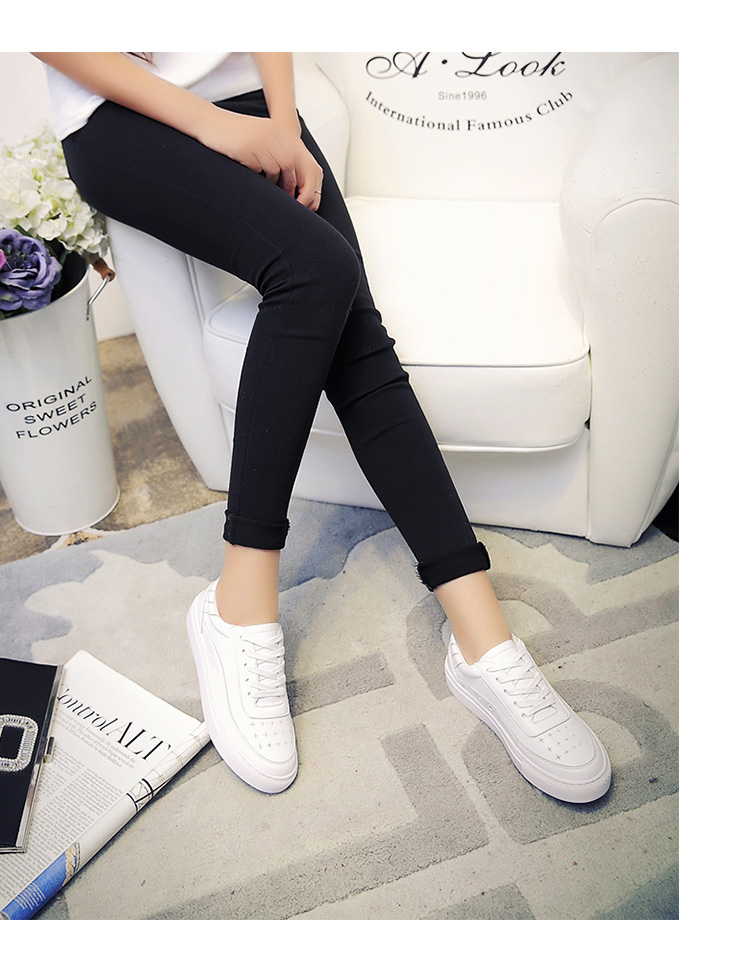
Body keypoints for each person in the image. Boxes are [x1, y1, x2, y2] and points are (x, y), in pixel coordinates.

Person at [34, 52, 611, 803]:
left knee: (357, 336)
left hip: (250, 95)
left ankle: (485, 644)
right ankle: (238, 608)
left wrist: (281, 121)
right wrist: (211, 125)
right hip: (119, 115)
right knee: (315, 268)